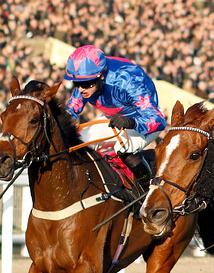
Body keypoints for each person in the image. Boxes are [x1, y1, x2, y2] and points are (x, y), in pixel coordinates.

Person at [63, 45, 166, 185]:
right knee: (79, 142)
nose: (80, 89)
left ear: (101, 76)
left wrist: (130, 122)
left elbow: (158, 120)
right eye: (77, 83)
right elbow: (70, 110)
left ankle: (148, 190)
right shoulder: (88, 80)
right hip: (114, 119)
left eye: (86, 84)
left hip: (141, 120)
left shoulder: (129, 81)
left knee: (122, 148)